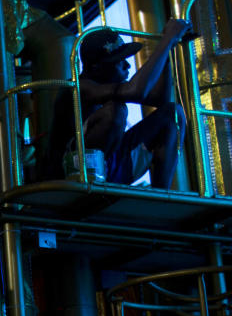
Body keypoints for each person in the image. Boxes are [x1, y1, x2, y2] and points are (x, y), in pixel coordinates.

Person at [45, 18, 193, 188]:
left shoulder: (105, 86)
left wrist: (168, 51)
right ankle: (92, 181)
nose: (127, 65)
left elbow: (159, 99)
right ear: (96, 67)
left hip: (112, 165)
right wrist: (167, 40)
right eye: (118, 61)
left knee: (172, 114)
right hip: (73, 169)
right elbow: (136, 90)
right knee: (115, 111)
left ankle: (163, 194)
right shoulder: (78, 87)